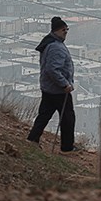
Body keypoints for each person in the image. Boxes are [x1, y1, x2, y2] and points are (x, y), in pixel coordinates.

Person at [26, 16, 78, 152]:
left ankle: (33, 138)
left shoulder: (49, 42)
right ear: (57, 31)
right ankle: (67, 147)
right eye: (64, 31)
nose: (66, 33)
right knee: (67, 118)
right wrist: (64, 84)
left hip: (48, 88)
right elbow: (52, 69)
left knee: (44, 115)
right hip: (59, 91)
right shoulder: (56, 47)